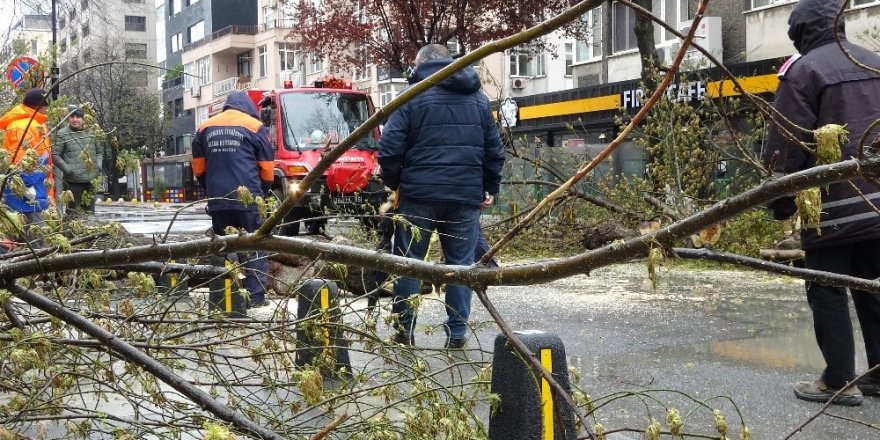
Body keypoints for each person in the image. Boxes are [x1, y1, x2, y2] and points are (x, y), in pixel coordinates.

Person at [763, 0, 880, 407]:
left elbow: (788, 140)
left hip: (830, 208)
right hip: (878, 205)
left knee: (827, 289)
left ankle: (838, 380)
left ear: (800, 32)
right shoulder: (873, 61)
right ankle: (877, 375)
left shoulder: (804, 71)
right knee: (872, 288)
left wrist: (779, 200)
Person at [378, 44, 506, 348]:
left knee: (410, 263)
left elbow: (388, 151)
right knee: (460, 266)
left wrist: (397, 184)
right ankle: (457, 334)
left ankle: (403, 331)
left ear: (419, 65)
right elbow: (494, 152)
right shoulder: (478, 100)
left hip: (418, 196)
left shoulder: (410, 98)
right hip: (464, 197)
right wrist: (488, 188)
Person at [191, 91, 275, 308]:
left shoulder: (204, 128)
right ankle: (255, 298)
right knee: (255, 246)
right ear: (249, 107)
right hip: (249, 200)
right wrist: (260, 195)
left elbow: (199, 169)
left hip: (218, 199)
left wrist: (212, 190)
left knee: (223, 248)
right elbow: (267, 170)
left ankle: (226, 297)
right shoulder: (255, 127)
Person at [0, 88, 52, 246]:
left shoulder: (28, 123)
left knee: (15, 235)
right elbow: (21, 162)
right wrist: (28, 186)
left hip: (27, 188)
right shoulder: (26, 126)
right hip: (28, 191)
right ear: (38, 106)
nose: (46, 109)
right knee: (35, 238)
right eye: (45, 106)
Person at [52, 106, 106, 215]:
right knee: (73, 213)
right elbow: (55, 155)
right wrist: (68, 169)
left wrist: (98, 166)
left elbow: (99, 152)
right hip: (73, 181)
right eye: (72, 116)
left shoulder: (91, 131)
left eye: (78, 117)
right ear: (68, 118)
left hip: (91, 180)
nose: (75, 119)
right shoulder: (62, 134)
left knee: (89, 212)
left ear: (84, 119)